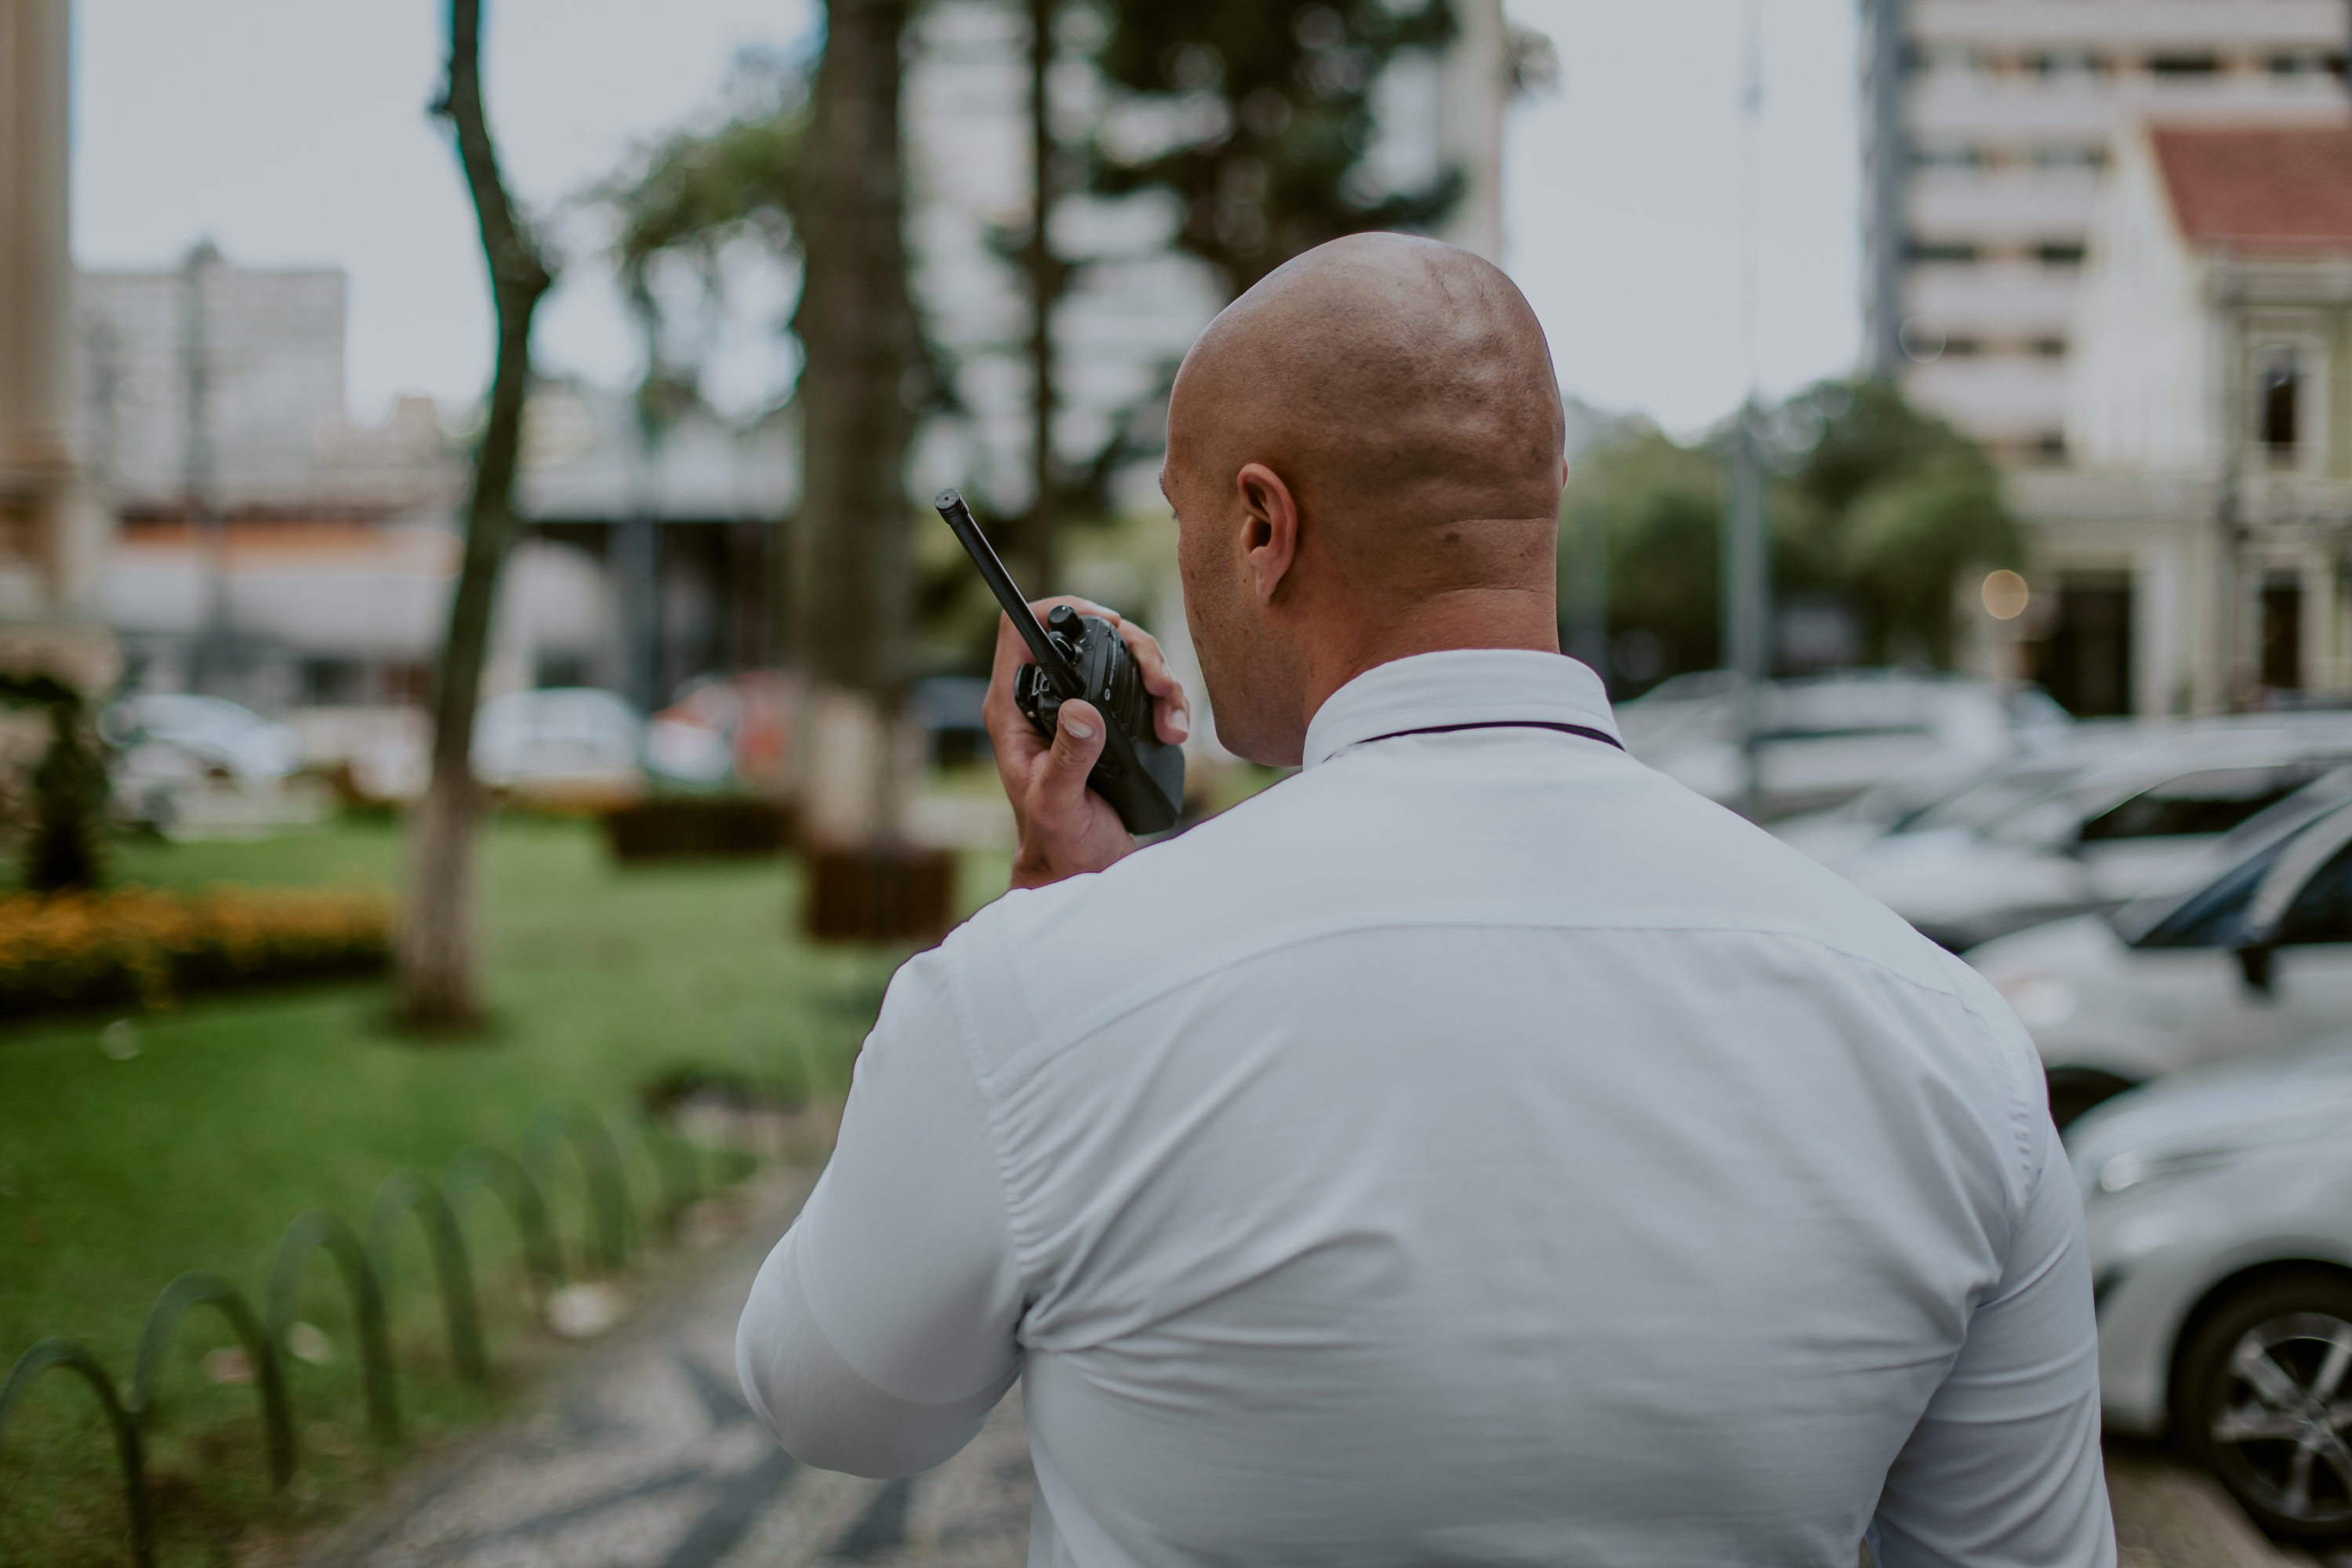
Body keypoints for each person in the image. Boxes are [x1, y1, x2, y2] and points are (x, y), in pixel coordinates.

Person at [737, 233, 2113, 1566]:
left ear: (1264, 526)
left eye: (1187, 517)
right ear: (1547, 492)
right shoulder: (1949, 1038)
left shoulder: (1037, 997)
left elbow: (835, 1400)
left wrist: (1051, 920)